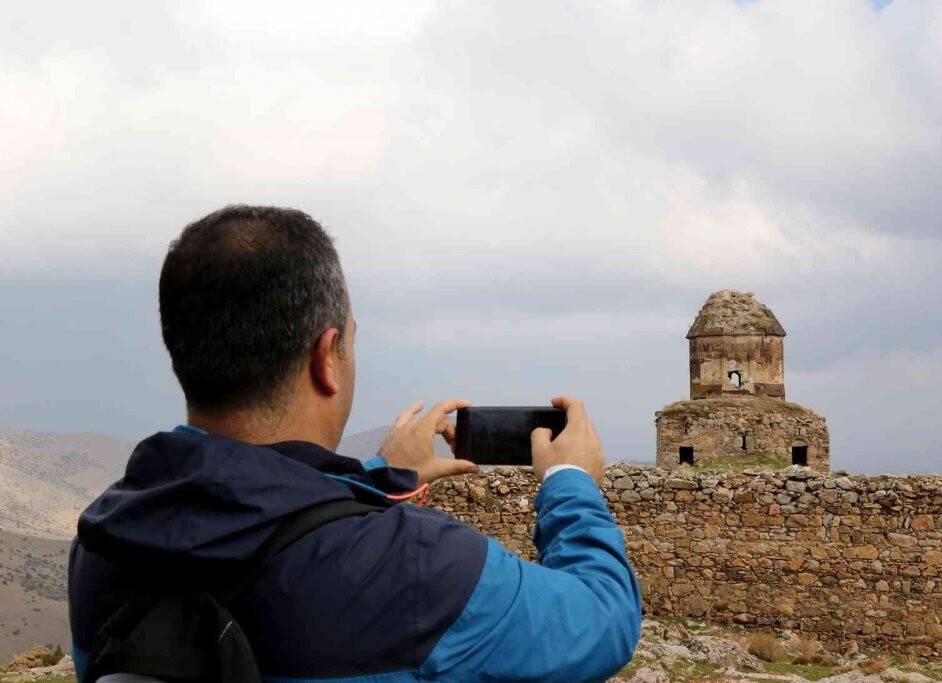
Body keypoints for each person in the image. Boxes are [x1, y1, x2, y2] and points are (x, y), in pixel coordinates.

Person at [68, 205, 642, 682]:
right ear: (327, 357)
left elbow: (255, 511)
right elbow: (603, 618)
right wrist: (571, 484)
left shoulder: (103, 542)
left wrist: (379, 475)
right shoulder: (420, 569)